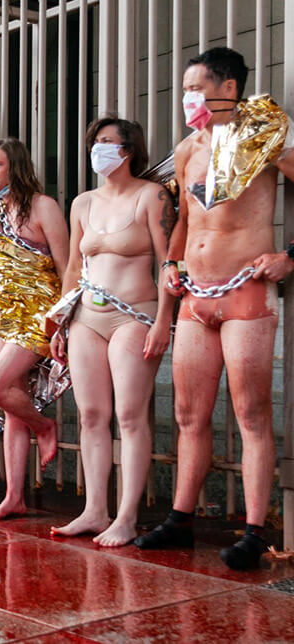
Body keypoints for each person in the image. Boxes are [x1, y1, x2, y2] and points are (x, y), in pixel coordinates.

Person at [135, 47, 294, 570]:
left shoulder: (266, 136)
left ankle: (255, 531)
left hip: (246, 289)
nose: (188, 98)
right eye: (185, 90)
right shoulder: (188, 148)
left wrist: (289, 256)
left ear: (228, 89)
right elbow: (184, 216)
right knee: (188, 414)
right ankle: (181, 519)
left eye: (196, 89)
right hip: (195, 296)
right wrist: (170, 261)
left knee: (251, 413)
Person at [49, 117, 174, 547]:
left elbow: (168, 262)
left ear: (128, 150)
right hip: (86, 317)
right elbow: (73, 267)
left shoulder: (151, 196)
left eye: (106, 142)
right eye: (94, 143)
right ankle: (94, 509)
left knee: (130, 416)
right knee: (91, 415)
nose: (97, 149)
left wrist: (164, 320)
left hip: (134, 316)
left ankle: (127, 516)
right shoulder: (83, 202)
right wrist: (61, 322)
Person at [0, 138, 69, 522]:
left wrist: (63, 321)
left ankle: (44, 426)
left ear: (15, 166)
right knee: (9, 404)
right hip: (4, 317)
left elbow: (67, 266)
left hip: (38, 316)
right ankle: (14, 496)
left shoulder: (44, 206)